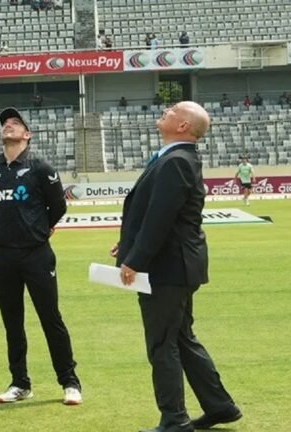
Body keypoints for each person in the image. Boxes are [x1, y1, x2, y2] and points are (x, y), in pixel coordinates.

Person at [112, 101, 242, 432]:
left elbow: (161, 219)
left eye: (171, 111)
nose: (164, 112)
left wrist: (134, 259)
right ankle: (220, 406)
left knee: (162, 344)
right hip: (176, 264)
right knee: (181, 338)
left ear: (183, 126)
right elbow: (155, 214)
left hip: (168, 268)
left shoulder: (176, 162)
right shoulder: (176, 159)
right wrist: (127, 246)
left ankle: (174, 419)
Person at [0, 107, 83, 406]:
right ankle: (20, 383)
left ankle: (69, 382)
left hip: (36, 254)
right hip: (2, 255)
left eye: (15, 123)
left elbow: (58, 206)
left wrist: (40, 229)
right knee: (12, 322)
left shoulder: (41, 167)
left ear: (27, 134)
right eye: (5, 123)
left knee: (51, 318)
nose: (8, 126)